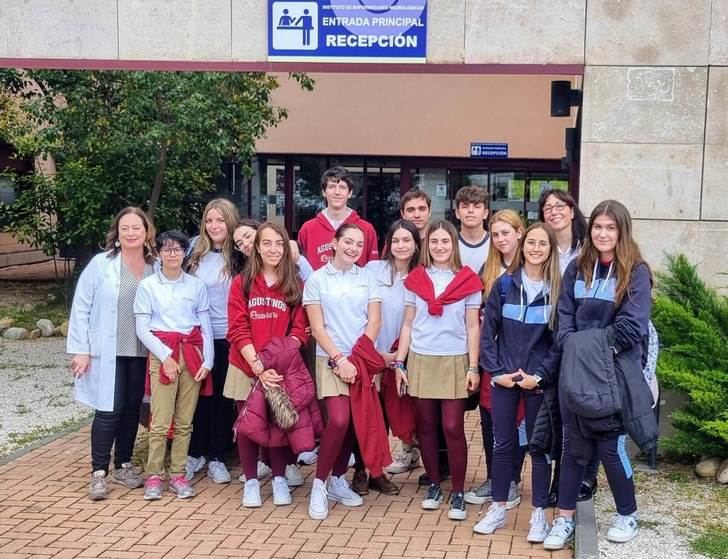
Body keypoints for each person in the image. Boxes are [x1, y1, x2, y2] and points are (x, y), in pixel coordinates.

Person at [543, 200, 655, 549]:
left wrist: (585, 348)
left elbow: (631, 327)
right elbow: (564, 319)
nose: (603, 233)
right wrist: (575, 348)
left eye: (610, 227)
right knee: (573, 447)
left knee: (610, 448)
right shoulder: (577, 268)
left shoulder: (635, 271)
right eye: (597, 227)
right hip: (575, 373)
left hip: (613, 373)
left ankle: (627, 514)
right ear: (589, 231)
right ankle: (564, 519)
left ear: (621, 231)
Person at [474, 223, 562, 542]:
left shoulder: (557, 290)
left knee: (538, 449)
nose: (536, 248)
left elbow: (558, 342)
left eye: (543, 244)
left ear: (550, 250)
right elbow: (488, 334)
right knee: (503, 445)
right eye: (532, 242)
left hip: (537, 383)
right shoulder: (503, 284)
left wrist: (538, 376)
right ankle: (498, 508)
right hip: (505, 381)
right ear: (523, 245)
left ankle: (539, 515)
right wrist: (497, 372)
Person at [394, 219, 482, 521]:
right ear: (426, 245)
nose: (440, 247)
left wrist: (473, 366)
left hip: (455, 359)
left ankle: (458, 491)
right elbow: (408, 324)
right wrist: (399, 363)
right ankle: (433, 484)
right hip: (421, 358)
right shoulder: (416, 279)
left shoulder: (469, 280)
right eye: (434, 242)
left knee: (452, 427)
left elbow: (473, 326)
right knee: (427, 427)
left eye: (445, 241)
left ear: (453, 244)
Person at [68, 207, 156, 500]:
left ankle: (124, 464)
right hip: (108, 351)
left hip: (142, 350)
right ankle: (99, 473)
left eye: (137, 228)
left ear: (146, 232)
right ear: (117, 233)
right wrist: (81, 350)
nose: (131, 233)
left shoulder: (154, 266)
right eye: (125, 228)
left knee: (133, 409)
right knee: (109, 409)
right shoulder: (101, 264)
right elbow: (81, 307)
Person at [224, 223, 310, 507]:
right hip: (246, 364)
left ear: (286, 248)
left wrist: (276, 362)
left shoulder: (295, 283)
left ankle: (279, 479)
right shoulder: (243, 283)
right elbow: (237, 328)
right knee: (249, 426)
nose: (273, 249)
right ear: (257, 248)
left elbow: (300, 332)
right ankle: (250, 481)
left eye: (279, 244)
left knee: (278, 425)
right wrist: (259, 366)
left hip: (280, 368)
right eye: (267, 243)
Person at [303, 223, 382, 521]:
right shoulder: (317, 279)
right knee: (338, 420)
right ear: (334, 243)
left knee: (353, 424)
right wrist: (340, 359)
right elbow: (318, 327)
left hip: (360, 359)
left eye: (359, 244)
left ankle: (338, 478)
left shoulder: (367, 278)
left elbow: (374, 322)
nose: (353, 248)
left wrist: (358, 358)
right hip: (330, 359)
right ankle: (319, 485)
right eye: (347, 241)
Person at [134, 231, 213, 500]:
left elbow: (206, 326)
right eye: (166, 249)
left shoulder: (195, 285)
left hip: (192, 352)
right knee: (160, 419)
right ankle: (154, 474)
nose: (172, 254)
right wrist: (166, 357)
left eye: (177, 249)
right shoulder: (148, 286)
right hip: (162, 351)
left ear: (184, 253)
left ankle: (178, 473)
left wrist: (209, 360)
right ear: (158, 253)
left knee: (184, 420)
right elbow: (143, 329)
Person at [466, 209, 527, 508]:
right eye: (497, 234)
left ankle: (512, 480)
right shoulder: (487, 269)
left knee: (516, 421)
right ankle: (494, 478)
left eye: (507, 232)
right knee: (489, 420)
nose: (502, 239)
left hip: (521, 357)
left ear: (519, 232)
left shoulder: (531, 266)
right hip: (492, 357)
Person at [538, 188, 588, 505]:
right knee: (553, 414)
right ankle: (559, 476)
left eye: (559, 206)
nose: (554, 211)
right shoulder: (541, 247)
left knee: (581, 413)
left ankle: (583, 477)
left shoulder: (587, 250)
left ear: (571, 210)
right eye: (547, 208)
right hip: (546, 338)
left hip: (579, 340)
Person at [184, 198, 240, 484]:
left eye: (220, 220)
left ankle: (218, 455)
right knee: (199, 398)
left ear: (230, 222)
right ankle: (196, 452)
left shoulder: (241, 254)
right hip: (199, 337)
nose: (214, 226)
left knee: (223, 398)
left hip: (231, 337)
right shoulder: (194, 252)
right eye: (209, 220)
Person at [367, 220, 421, 477]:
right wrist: (377, 353)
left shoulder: (423, 274)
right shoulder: (373, 270)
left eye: (407, 240)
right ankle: (374, 459)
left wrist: (398, 355)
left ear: (416, 244)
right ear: (388, 243)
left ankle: (409, 449)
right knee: (377, 406)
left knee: (406, 404)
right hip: (375, 350)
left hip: (408, 351)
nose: (401, 246)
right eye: (396, 240)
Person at [297, 166, 378, 270]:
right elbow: (299, 270)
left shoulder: (366, 229)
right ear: (323, 192)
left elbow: (373, 271)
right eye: (331, 187)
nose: (337, 192)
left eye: (342, 187)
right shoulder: (308, 229)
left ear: (350, 193)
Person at [455, 185, 490, 274]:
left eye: (477, 206)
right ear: (457, 213)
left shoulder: (496, 242)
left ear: (485, 213)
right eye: (465, 206)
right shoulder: (449, 244)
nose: (470, 210)